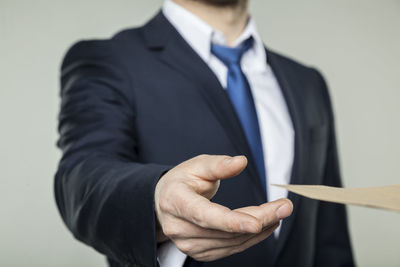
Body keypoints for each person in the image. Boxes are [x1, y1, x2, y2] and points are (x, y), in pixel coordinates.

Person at [54, 0, 355, 266]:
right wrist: (156, 201)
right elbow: (83, 176)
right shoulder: (109, 60)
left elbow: (330, 238)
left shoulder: (307, 83)